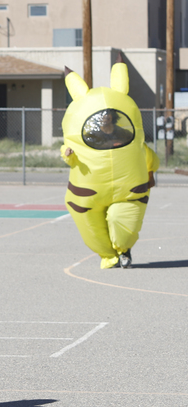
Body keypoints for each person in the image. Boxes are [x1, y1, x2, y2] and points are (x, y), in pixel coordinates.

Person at [61, 60, 158, 269]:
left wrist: (151, 171)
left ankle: (124, 251)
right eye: (102, 117)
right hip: (90, 188)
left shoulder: (123, 133)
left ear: (112, 118)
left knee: (119, 218)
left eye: (107, 116)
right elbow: (71, 153)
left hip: (127, 187)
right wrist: (67, 153)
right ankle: (108, 254)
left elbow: (143, 153)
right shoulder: (89, 135)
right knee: (90, 221)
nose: (104, 119)